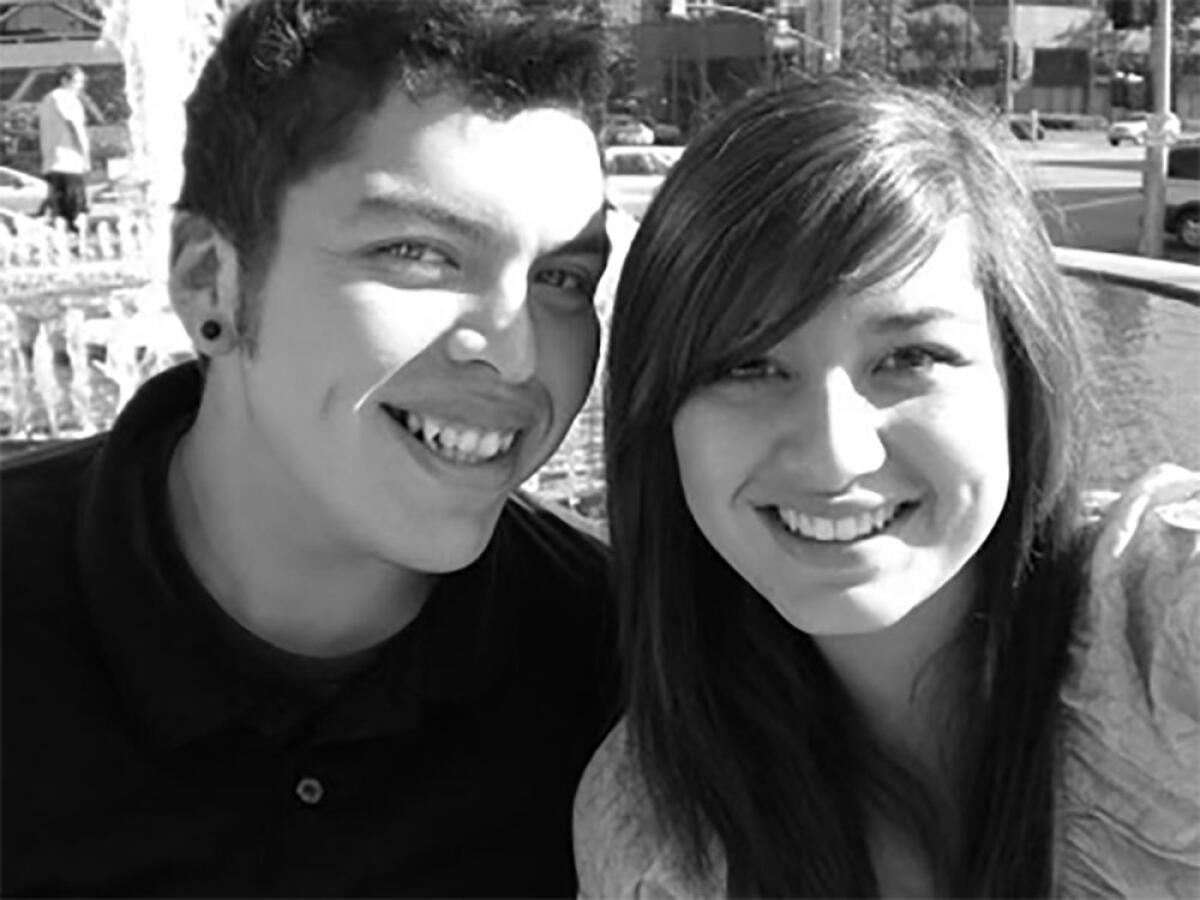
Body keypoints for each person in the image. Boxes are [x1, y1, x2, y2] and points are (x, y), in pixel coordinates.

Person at [2, 1, 619, 895]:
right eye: (418, 253)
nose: (518, 354)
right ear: (208, 277)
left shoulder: (613, 666)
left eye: (563, 277)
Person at [574, 75, 1199, 898]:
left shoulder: (1159, 619)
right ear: (662, 419)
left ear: (1019, 376)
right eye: (747, 366)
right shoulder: (656, 827)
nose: (835, 456)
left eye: (910, 359)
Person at [37, 63, 91, 231]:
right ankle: (77, 251)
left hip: (52, 164)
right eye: (78, 82)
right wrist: (86, 156)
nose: (81, 87)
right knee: (76, 214)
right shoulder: (65, 97)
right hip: (69, 163)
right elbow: (75, 127)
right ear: (64, 80)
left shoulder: (46, 100)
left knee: (58, 214)